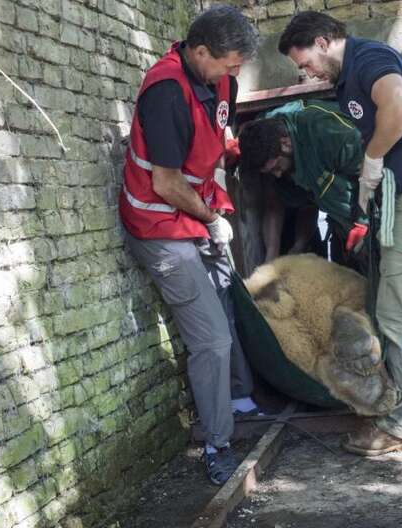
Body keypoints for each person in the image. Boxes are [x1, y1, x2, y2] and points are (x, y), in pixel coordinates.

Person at [278, 11, 402, 456]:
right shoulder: (347, 80)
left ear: (323, 42)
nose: (307, 74)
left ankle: (398, 424)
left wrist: (373, 159)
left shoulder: (370, 60)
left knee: (395, 312)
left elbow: (399, 110)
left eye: (305, 64)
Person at [119, 5, 259, 485]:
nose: (236, 71)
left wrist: (217, 204)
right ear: (200, 52)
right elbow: (164, 182)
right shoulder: (165, 91)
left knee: (229, 297)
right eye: (230, 62)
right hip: (159, 225)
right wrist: (211, 219)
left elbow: (219, 143)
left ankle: (240, 398)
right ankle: (218, 444)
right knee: (212, 338)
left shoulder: (222, 84)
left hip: (195, 214)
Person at [237, 100, 370, 271]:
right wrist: (278, 257)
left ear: (285, 143)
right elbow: (303, 203)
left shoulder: (330, 134)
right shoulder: (270, 140)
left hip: (376, 215)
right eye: (271, 171)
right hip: (342, 224)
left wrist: (363, 221)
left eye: (277, 167)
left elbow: (374, 172)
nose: (277, 174)